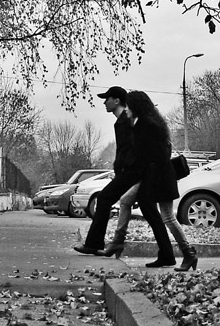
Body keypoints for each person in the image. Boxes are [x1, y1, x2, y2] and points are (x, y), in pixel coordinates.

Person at [125, 90, 198, 271]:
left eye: (128, 105)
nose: (126, 109)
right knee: (166, 216)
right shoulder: (156, 123)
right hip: (163, 175)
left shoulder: (144, 125)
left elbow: (144, 155)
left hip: (159, 177)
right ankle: (176, 254)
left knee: (168, 217)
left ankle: (188, 253)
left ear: (136, 106)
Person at [73, 86, 140, 256]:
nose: (104, 102)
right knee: (148, 209)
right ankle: (168, 253)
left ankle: (94, 244)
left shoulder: (126, 119)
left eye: (107, 98)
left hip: (132, 171)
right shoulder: (122, 120)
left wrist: (123, 167)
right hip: (130, 171)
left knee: (103, 199)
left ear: (116, 100)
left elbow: (131, 148)